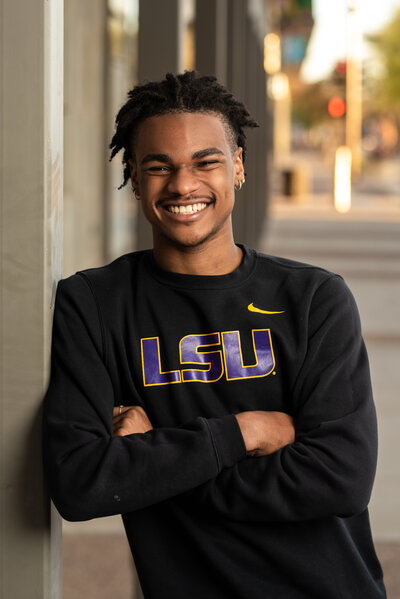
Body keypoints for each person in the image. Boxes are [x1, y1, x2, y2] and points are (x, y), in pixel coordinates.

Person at [43, 71, 386, 598]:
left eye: (206, 162)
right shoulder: (95, 305)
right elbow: (81, 481)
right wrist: (241, 433)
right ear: (134, 177)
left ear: (239, 167)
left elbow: (339, 477)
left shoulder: (313, 298)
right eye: (160, 167)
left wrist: (155, 462)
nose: (183, 185)